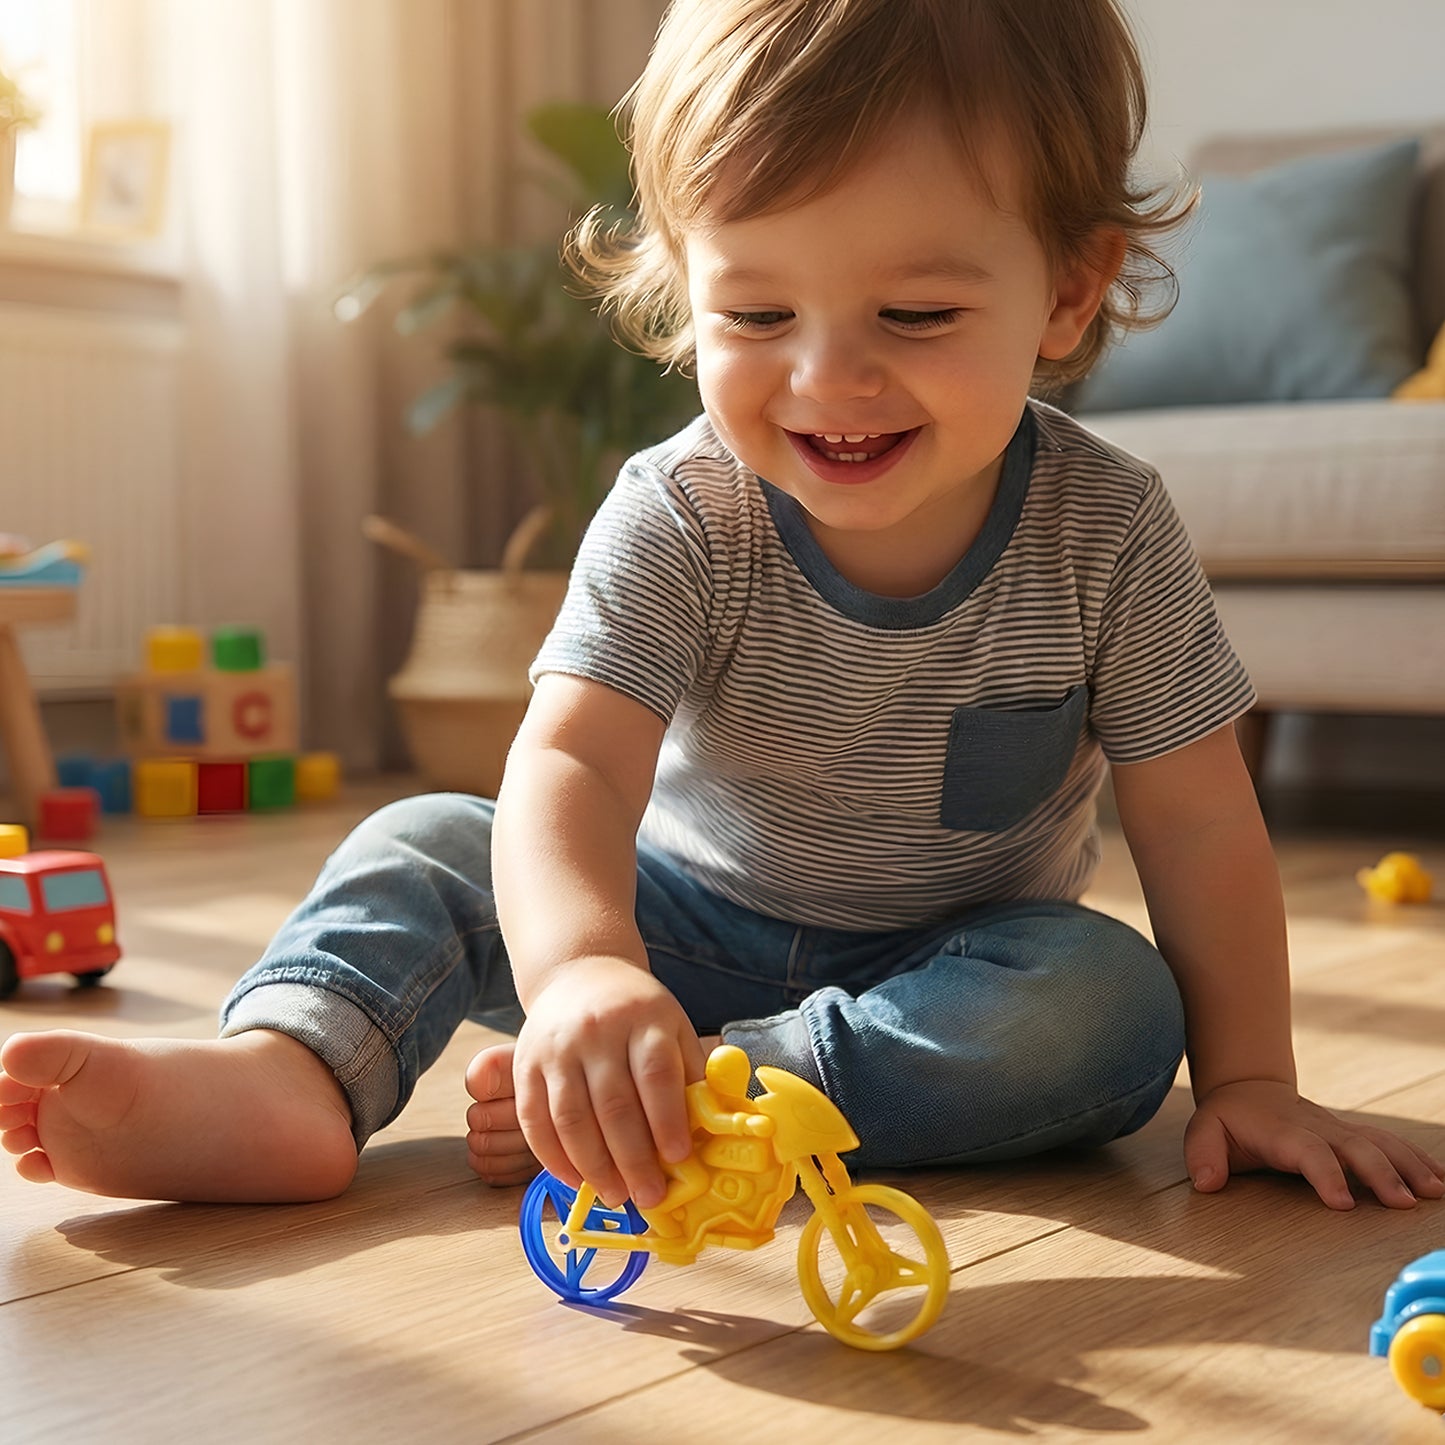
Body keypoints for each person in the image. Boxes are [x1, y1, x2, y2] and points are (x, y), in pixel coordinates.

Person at [1, 0, 1440, 1215]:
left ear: (1066, 295)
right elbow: (570, 764)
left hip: (942, 968)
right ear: (685, 290)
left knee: (1108, 1009)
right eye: (755, 318)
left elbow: (1197, 820)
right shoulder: (682, 508)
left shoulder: (1107, 527)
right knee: (427, 841)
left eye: (915, 317)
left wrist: (1249, 1081)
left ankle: (705, 1092)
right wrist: (578, 976)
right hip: (666, 918)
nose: (825, 380)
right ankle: (295, 1072)